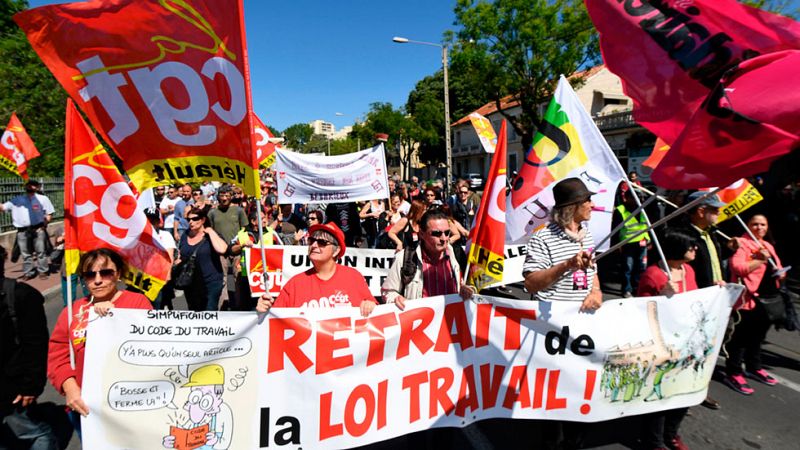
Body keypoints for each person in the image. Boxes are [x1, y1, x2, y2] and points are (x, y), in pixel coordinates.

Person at [521, 178, 601, 450]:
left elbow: (593, 272)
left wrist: (596, 292)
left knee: (580, 392)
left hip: (583, 328)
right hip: (553, 329)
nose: (592, 204)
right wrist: (566, 265)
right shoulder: (543, 237)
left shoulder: (587, 233)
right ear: (572, 207)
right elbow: (531, 282)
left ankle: (574, 442)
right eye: (587, 200)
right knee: (554, 397)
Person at [48, 248, 152, 437]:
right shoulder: (73, 311)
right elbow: (58, 356)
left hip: (130, 404)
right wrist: (70, 388)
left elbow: (148, 350)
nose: (97, 280)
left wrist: (114, 318)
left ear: (118, 274)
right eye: (89, 275)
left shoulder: (138, 303)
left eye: (105, 273)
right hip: (87, 407)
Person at [671, 191, 737, 410]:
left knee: (707, 349)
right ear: (700, 211)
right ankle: (679, 392)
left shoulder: (711, 233)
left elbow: (712, 262)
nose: (719, 213)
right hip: (698, 301)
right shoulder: (683, 236)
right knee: (690, 348)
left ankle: (699, 388)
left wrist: (728, 252)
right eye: (714, 209)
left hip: (715, 299)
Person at [637, 230, 698, 450]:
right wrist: (661, 296)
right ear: (675, 249)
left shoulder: (688, 270)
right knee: (660, 395)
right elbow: (640, 309)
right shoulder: (653, 274)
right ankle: (653, 441)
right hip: (661, 343)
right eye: (690, 246)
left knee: (683, 392)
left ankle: (671, 434)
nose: (694, 249)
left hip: (686, 342)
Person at [0, 245, 62, 450]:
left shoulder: (20, 296)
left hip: (13, 387)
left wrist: (30, 387)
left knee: (33, 432)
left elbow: (37, 346)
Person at [257, 222, 376, 317]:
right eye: (311, 241)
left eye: (322, 242)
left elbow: (376, 312)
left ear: (337, 250)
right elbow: (275, 321)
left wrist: (370, 305)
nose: (314, 245)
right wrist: (264, 310)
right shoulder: (295, 284)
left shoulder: (353, 277)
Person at [724, 214, 785, 394]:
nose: (759, 228)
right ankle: (733, 372)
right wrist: (759, 260)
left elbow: (779, 268)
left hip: (767, 301)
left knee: (757, 337)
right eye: (755, 224)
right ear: (748, 226)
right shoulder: (741, 243)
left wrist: (780, 273)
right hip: (747, 300)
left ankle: (753, 367)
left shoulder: (767, 245)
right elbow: (738, 268)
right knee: (739, 339)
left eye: (763, 224)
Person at [381, 209, 475, 310]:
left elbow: (470, 286)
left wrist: (468, 290)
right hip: (420, 322)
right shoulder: (405, 258)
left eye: (447, 233)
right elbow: (387, 292)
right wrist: (396, 298)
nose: (444, 238)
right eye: (436, 233)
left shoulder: (457, 255)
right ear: (422, 234)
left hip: (451, 323)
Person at [0, 180, 55, 280]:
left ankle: (43, 271)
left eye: (34, 185)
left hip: (38, 229)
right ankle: (28, 272)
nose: (31, 186)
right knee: (25, 254)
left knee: (41, 252)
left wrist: (44, 225)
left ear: (37, 187)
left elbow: (49, 213)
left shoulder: (43, 199)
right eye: (29, 185)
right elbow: (2, 208)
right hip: (22, 231)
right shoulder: (17, 200)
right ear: (25, 187)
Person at [229, 211, 282, 311]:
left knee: (266, 306)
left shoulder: (272, 233)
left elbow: (282, 249)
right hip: (246, 277)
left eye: (265, 217)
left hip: (267, 278)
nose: (265, 220)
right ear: (253, 221)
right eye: (262, 218)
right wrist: (242, 245)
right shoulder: (242, 234)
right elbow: (230, 250)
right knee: (246, 307)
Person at [178, 208, 228, 311]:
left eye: (195, 219)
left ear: (203, 220)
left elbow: (222, 249)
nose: (191, 222)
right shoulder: (185, 235)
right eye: (189, 219)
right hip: (191, 283)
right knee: (194, 313)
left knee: (209, 312)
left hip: (210, 282)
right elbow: (181, 254)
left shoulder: (210, 235)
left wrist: (210, 231)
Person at [612, 189, 651, 297]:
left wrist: (649, 240)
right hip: (627, 243)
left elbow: (648, 226)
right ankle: (626, 289)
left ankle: (637, 288)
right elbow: (615, 229)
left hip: (643, 242)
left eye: (641, 198)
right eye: (636, 197)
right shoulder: (621, 210)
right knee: (627, 268)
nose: (640, 200)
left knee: (641, 267)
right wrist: (616, 245)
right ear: (627, 198)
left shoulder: (643, 209)